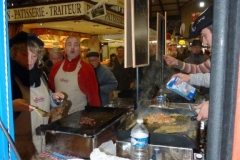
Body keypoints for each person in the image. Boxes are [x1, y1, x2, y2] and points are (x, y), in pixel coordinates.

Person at [10, 31, 65, 159]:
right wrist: (10, 107)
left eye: (34, 56)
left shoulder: (41, 75)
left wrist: (53, 99)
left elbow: (44, 100)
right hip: (19, 146)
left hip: (42, 141)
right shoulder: (7, 78)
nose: (29, 60)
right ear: (14, 53)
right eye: (24, 54)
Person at [171, 5, 214, 121]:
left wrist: (216, 105)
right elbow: (207, 75)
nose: (204, 41)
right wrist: (188, 77)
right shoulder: (219, 56)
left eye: (205, 36)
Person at [48, 36, 101, 114]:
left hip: (78, 116)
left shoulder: (87, 68)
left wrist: (96, 115)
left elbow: (93, 96)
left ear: (80, 49)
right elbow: (50, 91)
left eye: (76, 45)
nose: (72, 47)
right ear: (65, 48)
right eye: (69, 45)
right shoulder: (56, 67)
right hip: (57, 116)